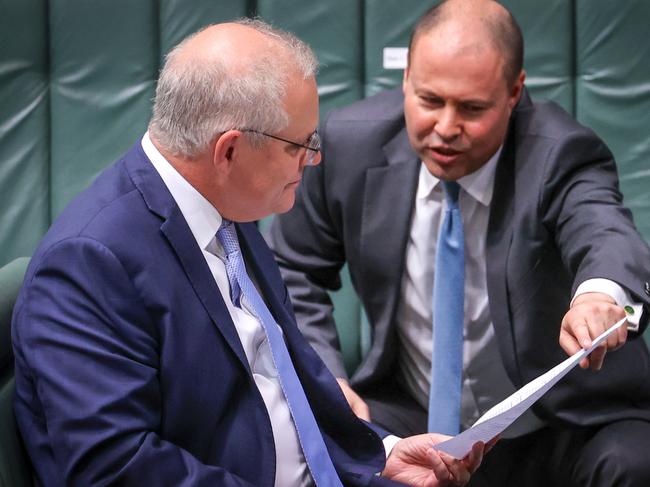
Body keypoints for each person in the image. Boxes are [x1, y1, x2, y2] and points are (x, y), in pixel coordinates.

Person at [11, 19, 486, 487]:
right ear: (230, 151)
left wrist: (378, 455)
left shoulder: (227, 212)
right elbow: (114, 468)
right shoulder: (88, 263)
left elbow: (284, 390)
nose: (314, 159)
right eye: (301, 144)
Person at [268, 1, 650, 486]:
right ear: (406, 78)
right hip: (412, 412)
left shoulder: (560, 153)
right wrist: (328, 379)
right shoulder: (347, 146)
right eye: (429, 100)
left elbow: (604, 230)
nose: (446, 128)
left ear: (514, 92)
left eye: (472, 108)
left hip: (563, 422)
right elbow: (291, 270)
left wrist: (600, 293)